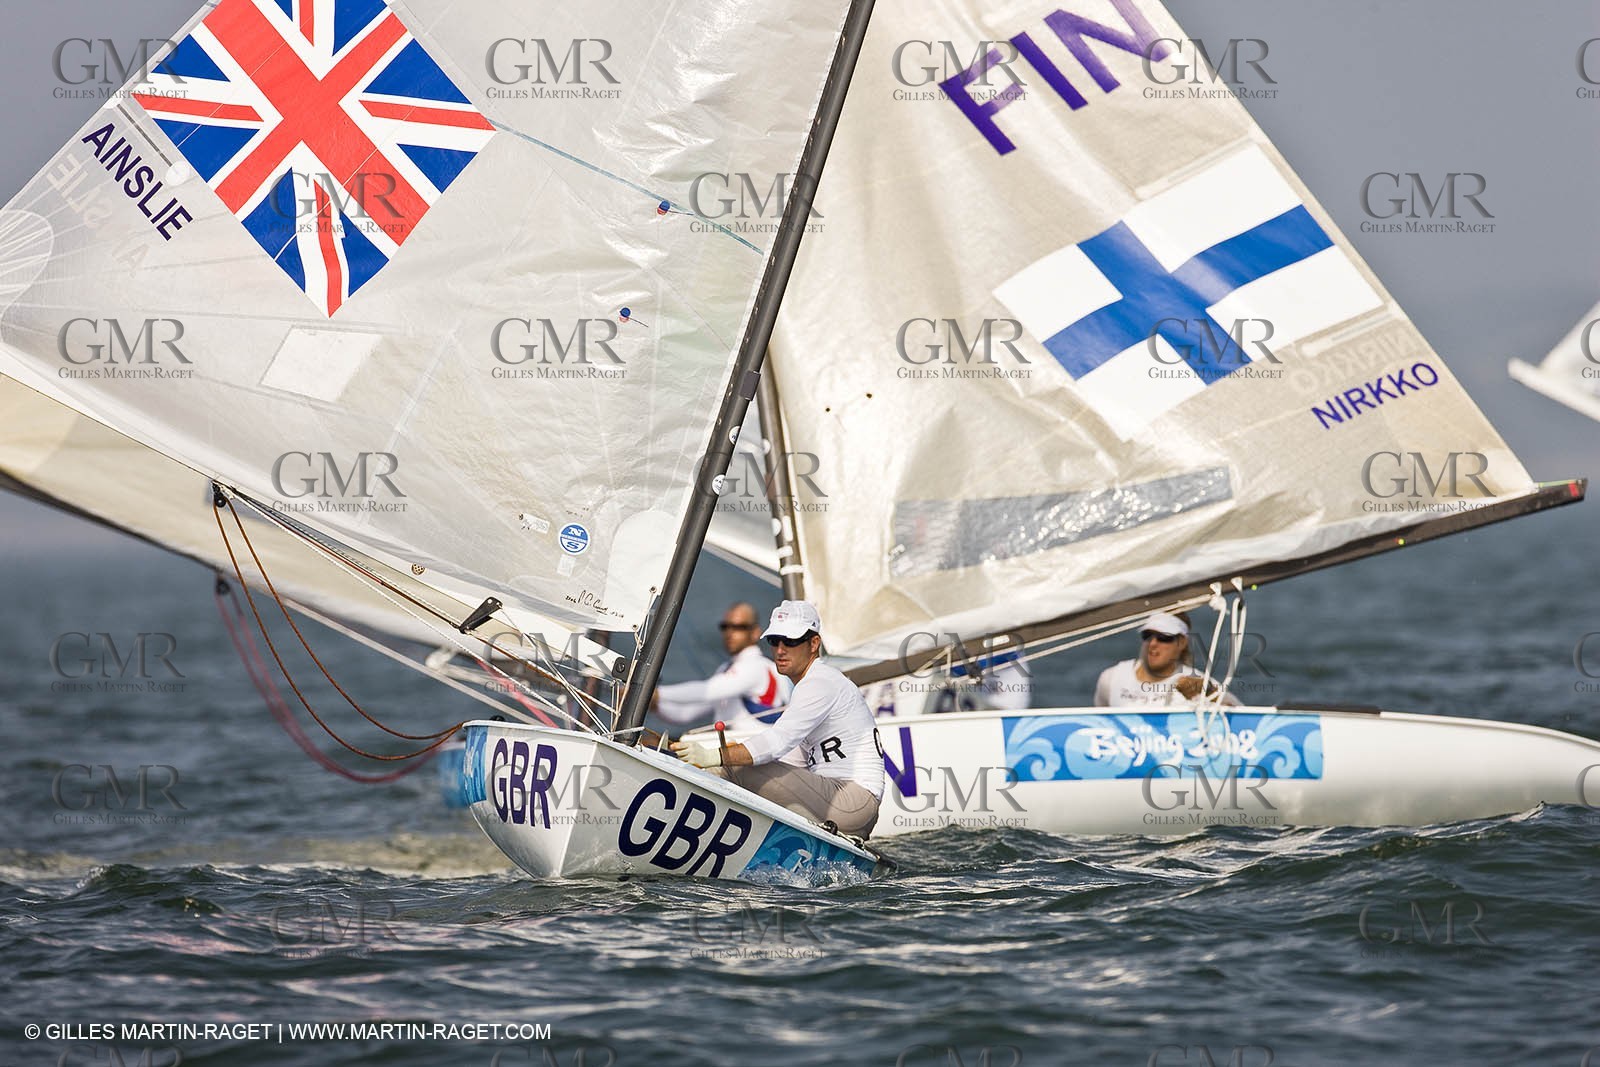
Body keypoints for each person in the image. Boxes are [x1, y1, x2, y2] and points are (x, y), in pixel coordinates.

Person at [671, 600, 884, 837]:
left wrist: (716, 756)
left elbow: (777, 742)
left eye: (791, 641)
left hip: (850, 801)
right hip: (849, 806)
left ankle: (679, 828)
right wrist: (728, 755)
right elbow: (788, 758)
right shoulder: (813, 686)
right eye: (775, 641)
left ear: (814, 643)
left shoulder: (819, 683)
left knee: (734, 766)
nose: (781, 650)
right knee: (738, 764)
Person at [653, 602, 788, 730]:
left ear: (755, 632)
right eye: (725, 627)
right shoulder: (725, 670)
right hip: (730, 747)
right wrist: (653, 704)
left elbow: (708, 691)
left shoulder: (757, 666)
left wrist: (656, 693)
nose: (729, 633)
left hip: (756, 750)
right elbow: (685, 714)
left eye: (738, 627)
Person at [1093, 612, 1241, 707]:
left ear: (1182, 642)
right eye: (1147, 636)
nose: (1152, 643)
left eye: (1164, 638)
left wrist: (1209, 693)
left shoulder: (1199, 681)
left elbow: (1242, 716)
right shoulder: (1111, 678)